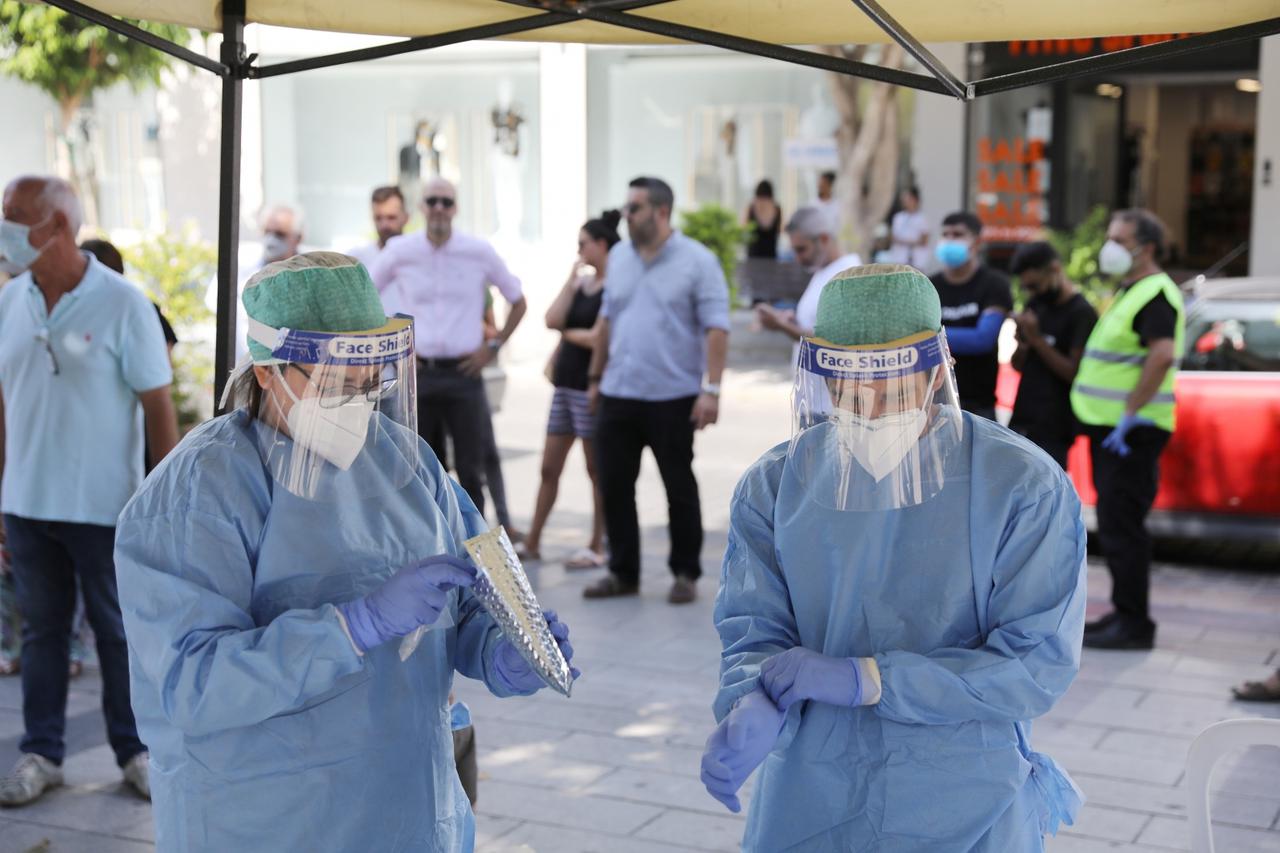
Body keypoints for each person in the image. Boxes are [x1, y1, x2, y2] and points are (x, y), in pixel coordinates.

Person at [113, 253, 577, 851]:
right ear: (266, 371)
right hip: (267, 818)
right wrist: (352, 627)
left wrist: (502, 649)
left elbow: (464, 597)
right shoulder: (195, 495)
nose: (358, 405)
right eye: (335, 384)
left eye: (369, 383)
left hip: (408, 809)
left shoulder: (405, 462)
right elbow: (191, 684)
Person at [700, 263, 1087, 850]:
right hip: (811, 795)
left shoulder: (1020, 486)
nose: (865, 401)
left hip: (962, 798)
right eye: (842, 380)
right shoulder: (778, 484)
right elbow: (753, 627)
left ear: (937, 370)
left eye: (887, 380)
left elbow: (1034, 663)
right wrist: (752, 694)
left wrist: (871, 679)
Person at [0, 175, 179, 805]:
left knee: (117, 633)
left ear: (58, 227)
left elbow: (158, 407)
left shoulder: (124, 303)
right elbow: (2, 403)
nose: (3, 228)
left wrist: (164, 501)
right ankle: (41, 753)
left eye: (14, 218)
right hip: (25, 503)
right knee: (42, 634)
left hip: (107, 507)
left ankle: (136, 751)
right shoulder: (8, 300)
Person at [584, 177, 730, 604]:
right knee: (613, 485)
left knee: (678, 485)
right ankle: (622, 571)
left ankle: (685, 572)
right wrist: (595, 380)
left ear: (661, 212)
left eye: (635, 208)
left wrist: (713, 389)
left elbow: (716, 327)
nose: (625, 215)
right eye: (627, 207)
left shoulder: (697, 262)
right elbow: (607, 323)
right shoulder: (620, 258)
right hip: (619, 392)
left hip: (673, 396)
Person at [371, 177, 527, 517]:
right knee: (424, 469)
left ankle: (476, 557)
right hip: (421, 374)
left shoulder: (477, 251)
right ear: (421, 209)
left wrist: (493, 347)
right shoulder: (401, 251)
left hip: (464, 374)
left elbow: (517, 300)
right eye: (432, 202)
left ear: (455, 208)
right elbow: (366, 295)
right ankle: (434, 549)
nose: (439, 209)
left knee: (472, 470)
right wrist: (390, 350)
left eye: (445, 201)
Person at [1073, 209, 1183, 651]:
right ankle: (1123, 613)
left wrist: (1130, 412)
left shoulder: (1155, 294)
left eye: (1120, 239)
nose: (1110, 247)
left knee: (1124, 528)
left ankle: (1134, 624)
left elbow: (1162, 355)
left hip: (1130, 434)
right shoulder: (1132, 290)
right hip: (1113, 431)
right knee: (1116, 525)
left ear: (1147, 248)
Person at [518, 211, 619, 568]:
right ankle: (532, 542)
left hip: (590, 388)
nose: (579, 251)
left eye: (583, 244)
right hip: (564, 386)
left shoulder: (614, 287)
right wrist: (570, 277)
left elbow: (598, 339)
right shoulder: (582, 284)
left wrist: (567, 335)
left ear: (601, 244)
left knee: (596, 471)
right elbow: (551, 319)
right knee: (549, 468)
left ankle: (598, 544)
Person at [1008, 242, 1098, 468]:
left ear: (1055, 269)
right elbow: (1018, 365)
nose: (1032, 293)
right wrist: (1023, 342)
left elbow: (1073, 372)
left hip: (1055, 424)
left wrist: (1037, 339)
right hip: (1023, 416)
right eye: (1027, 288)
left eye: (1036, 286)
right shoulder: (1036, 305)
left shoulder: (1081, 313)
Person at [754, 206, 862, 370]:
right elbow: (815, 325)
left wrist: (782, 326)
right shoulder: (823, 270)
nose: (797, 259)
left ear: (824, 239)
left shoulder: (849, 275)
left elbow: (833, 340)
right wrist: (792, 321)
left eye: (801, 249)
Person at [929, 211, 1013, 420]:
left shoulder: (994, 285)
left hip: (978, 406)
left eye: (957, 234)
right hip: (933, 404)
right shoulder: (928, 286)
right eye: (945, 234)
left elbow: (983, 339)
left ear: (976, 243)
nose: (949, 240)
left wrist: (930, 337)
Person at [346, 185, 411, 271]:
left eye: (391, 217)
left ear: (406, 218)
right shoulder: (357, 260)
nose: (384, 225)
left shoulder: (417, 256)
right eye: (378, 218)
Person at [888, 186, 931, 269]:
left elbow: (924, 240)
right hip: (899, 260)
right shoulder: (898, 217)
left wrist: (903, 241)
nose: (905, 201)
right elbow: (893, 237)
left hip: (917, 261)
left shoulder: (922, 218)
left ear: (915, 199)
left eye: (908, 198)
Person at [744, 180, 782, 260]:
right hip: (771, 254)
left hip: (753, 254)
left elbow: (744, 227)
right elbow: (779, 230)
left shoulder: (751, 207)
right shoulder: (777, 208)